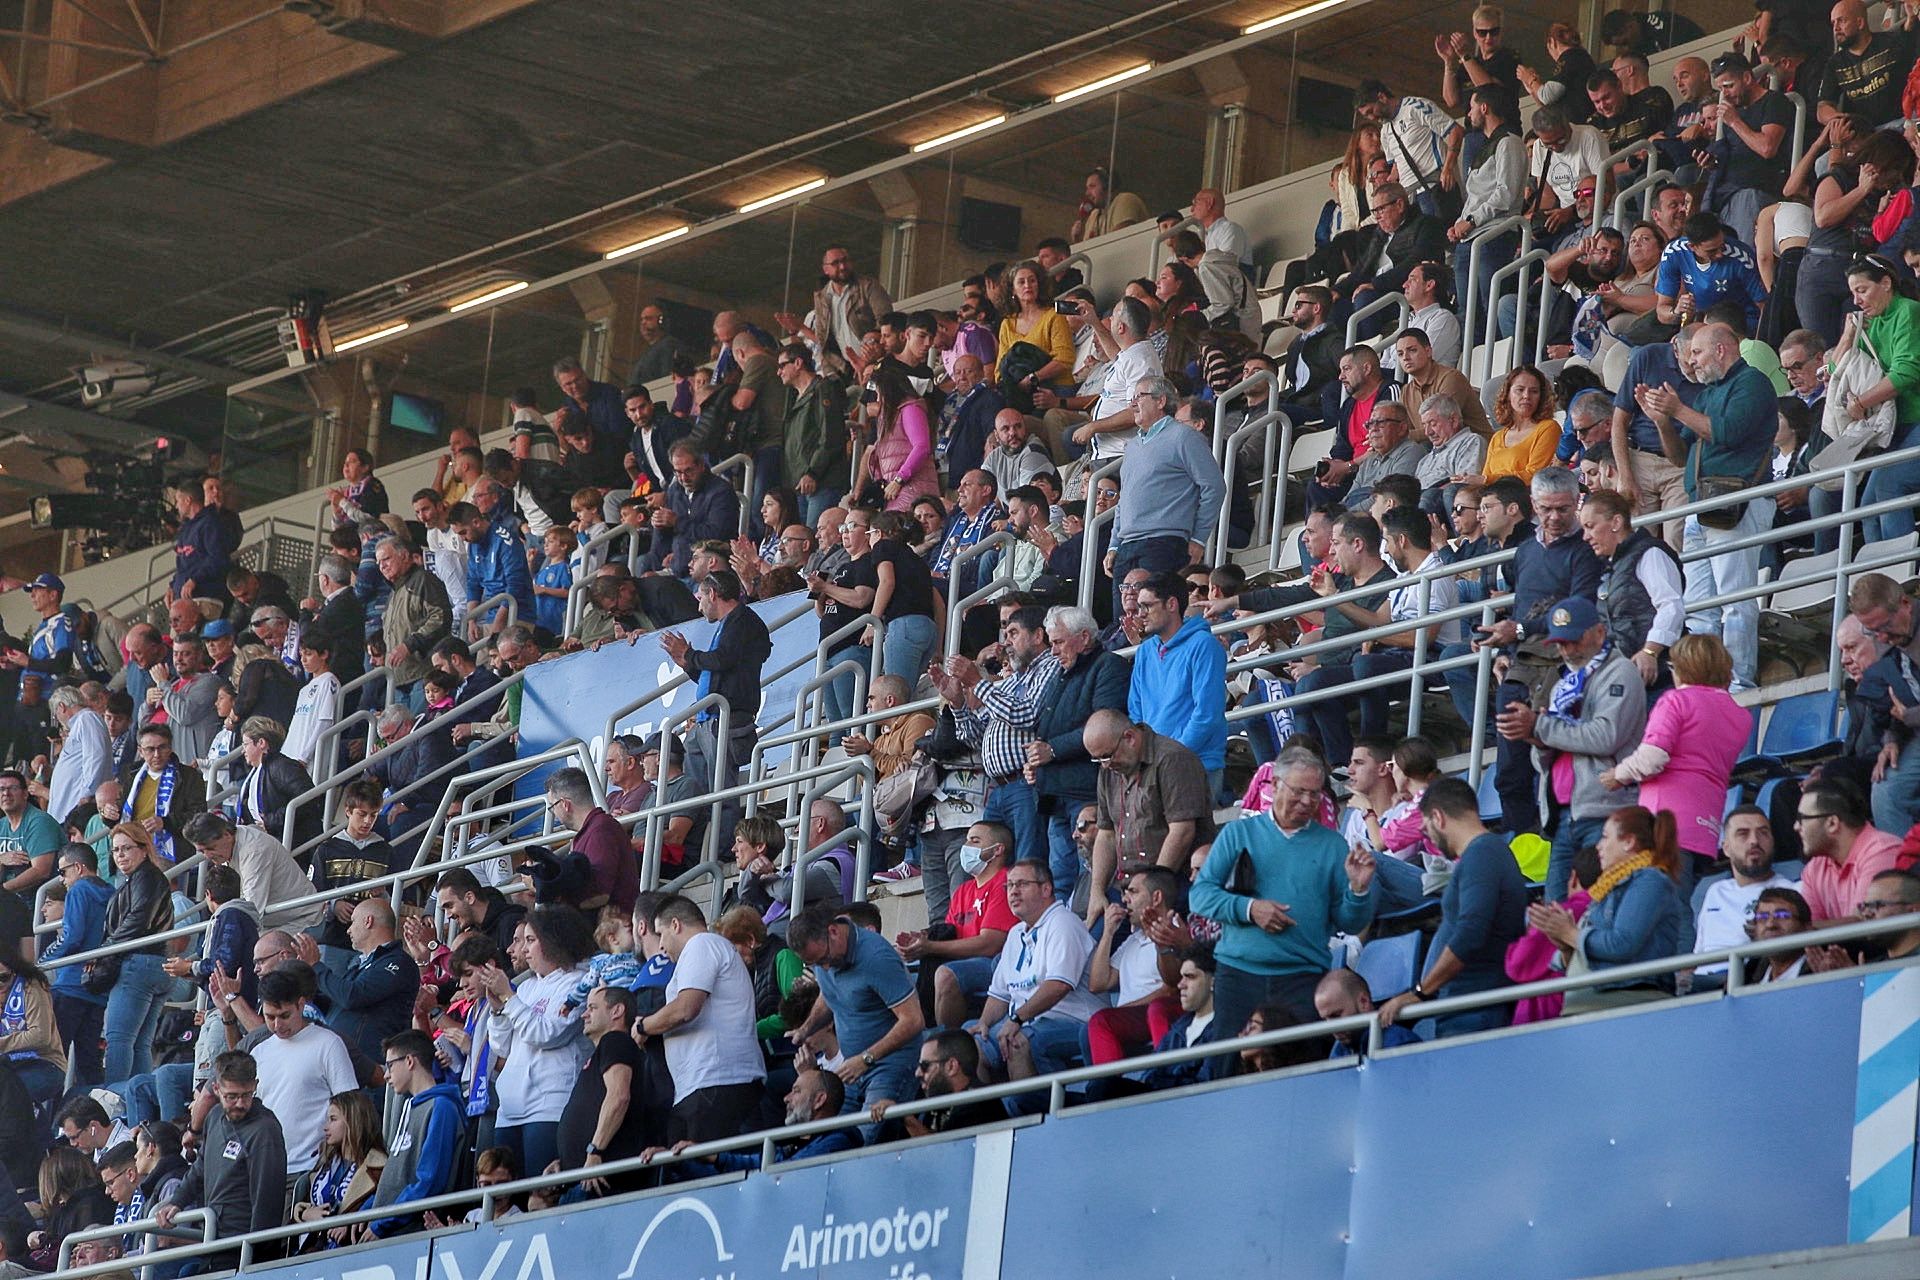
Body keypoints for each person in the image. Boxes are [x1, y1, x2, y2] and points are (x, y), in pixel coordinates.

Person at [1190, 755, 1377, 1038]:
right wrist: (1250, 909)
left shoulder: (1334, 846)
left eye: (1314, 794)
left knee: (1303, 1067)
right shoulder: (1238, 833)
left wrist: (1358, 890)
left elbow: (1349, 923)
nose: (1307, 801)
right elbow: (1200, 897)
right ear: (1275, 785)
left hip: (1302, 977)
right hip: (1239, 974)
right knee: (1228, 1068)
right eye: (1298, 791)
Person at [1638, 322, 1776, 690]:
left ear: (1721, 349)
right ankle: (1704, 684)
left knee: (1735, 598)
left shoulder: (1752, 383)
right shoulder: (1706, 394)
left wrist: (1678, 408)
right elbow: (1679, 456)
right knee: (1699, 606)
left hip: (1737, 503)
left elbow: (1727, 433)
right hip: (1702, 508)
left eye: (1697, 353)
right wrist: (1663, 422)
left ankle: (1739, 683)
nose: (1691, 362)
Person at [1498, 596, 1647, 901]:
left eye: (1574, 640)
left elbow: (1606, 736)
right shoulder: (1565, 684)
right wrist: (1537, 742)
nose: (1567, 650)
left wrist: (1541, 728)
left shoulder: (1620, 673)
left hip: (1606, 812)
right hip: (1564, 815)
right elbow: (1548, 758)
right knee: (1557, 912)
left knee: (1603, 903)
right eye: (1561, 643)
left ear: (1599, 633)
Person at [1377, 778, 1529, 1036]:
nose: (1430, 839)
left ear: (1438, 817)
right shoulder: (1485, 853)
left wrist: (1421, 992)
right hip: (1468, 1006)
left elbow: (1470, 933)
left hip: (1475, 1007)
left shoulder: (1482, 854)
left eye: (1426, 830)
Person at [1601, 634, 1748, 882]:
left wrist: (1618, 774)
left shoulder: (1675, 701)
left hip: (1667, 822)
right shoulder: (1740, 715)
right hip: (1707, 825)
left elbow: (1652, 758)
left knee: (1669, 909)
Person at [1525, 805, 1685, 1010]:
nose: (1598, 846)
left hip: (1623, 1006)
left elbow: (1622, 943)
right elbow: (1594, 955)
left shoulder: (1649, 880)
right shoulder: (1606, 888)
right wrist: (1565, 945)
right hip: (1589, 1005)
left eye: (1605, 837)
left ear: (1628, 842)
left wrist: (1571, 934)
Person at [638, 894, 766, 1143]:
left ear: (676, 925)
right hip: (700, 1087)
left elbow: (686, 1008)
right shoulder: (703, 949)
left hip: (718, 1081)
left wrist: (644, 1026)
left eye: (661, 933)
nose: (661, 945)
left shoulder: (702, 944)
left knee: (712, 1174)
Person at [478, 906, 592, 1179]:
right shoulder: (526, 987)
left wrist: (509, 997)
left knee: (539, 1193)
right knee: (506, 1198)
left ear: (553, 940)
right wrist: (497, 1010)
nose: (523, 949)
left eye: (531, 940)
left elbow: (547, 1035)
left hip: (549, 1107)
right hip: (510, 1109)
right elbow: (501, 1048)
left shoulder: (579, 984)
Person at [964, 859, 1103, 1083]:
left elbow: (1059, 985)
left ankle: (1032, 1112)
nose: (1014, 892)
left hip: (1076, 1020)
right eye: (1009, 886)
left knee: (1018, 1041)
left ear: (1046, 889)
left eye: (1022, 884)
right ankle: (990, 1113)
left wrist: (1017, 1019)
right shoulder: (1015, 932)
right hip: (1028, 1022)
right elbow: (1000, 994)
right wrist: (984, 1023)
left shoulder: (1063, 923)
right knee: (967, 1044)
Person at [787, 905, 926, 1123]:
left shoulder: (875, 957)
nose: (823, 968)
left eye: (824, 959)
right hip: (853, 1067)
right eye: (814, 964)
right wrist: (805, 1029)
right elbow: (829, 993)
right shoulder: (826, 958)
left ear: (833, 931)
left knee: (865, 1138)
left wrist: (866, 1058)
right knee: (833, 1136)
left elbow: (913, 1020)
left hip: (889, 1065)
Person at [155, 1051, 288, 1268]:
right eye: (231, 1096)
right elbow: (200, 1167)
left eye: (246, 1095)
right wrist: (176, 1201)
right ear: (217, 1089)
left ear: (255, 1085)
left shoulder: (264, 1130)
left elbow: (267, 1201)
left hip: (241, 1246)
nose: (240, 1103)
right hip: (213, 1237)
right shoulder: (215, 1116)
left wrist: (256, 1257)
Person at [1103, 376, 1225, 608]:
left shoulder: (1184, 436)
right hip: (1127, 548)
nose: (1132, 404)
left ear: (1160, 401)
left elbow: (1214, 487)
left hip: (1163, 544)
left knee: (1155, 618)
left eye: (1139, 396)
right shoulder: (1132, 447)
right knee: (1126, 624)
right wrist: (1113, 545)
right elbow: (1124, 500)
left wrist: (1198, 538)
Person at [249, 965, 359, 1177]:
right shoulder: (259, 1052)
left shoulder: (328, 1044)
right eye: (270, 1017)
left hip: (313, 1169)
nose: (277, 1025)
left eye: (284, 1015)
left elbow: (349, 1107)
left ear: (301, 1004)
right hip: (264, 1168)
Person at [1127, 573, 1227, 794]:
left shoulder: (1204, 646)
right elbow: (1136, 711)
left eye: (1147, 607)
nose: (1140, 615)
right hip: (1153, 768)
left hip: (1197, 766)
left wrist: (1171, 757)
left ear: (1171, 604)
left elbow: (1207, 714)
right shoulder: (1144, 651)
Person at [1579, 489, 1683, 687]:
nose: (1585, 536)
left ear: (1616, 523)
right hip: (1627, 673)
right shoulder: (1611, 566)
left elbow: (1671, 605)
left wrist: (1650, 651)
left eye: (1590, 527)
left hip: (1661, 673)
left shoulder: (1650, 554)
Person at [97, 823, 173, 1085]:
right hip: (155, 964)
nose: (120, 855)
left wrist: (107, 948)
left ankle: (114, 1100)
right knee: (140, 1044)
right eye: (115, 850)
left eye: (126, 848)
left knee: (119, 1039)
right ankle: (139, 1102)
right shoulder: (142, 878)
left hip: (139, 964)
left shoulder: (147, 877)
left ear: (143, 849)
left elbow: (139, 919)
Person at [1692, 806, 1801, 984]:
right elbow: (1699, 954)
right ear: (1725, 847)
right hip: (1703, 980)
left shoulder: (1791, 891)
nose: (1754, 841)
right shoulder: (1715, 891)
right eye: (1743, 834)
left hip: (1746, 979)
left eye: (1763, 833)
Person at [44, 844, 111, 1085]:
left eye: (63, 872)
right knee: (89, 1063)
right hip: (97, 989)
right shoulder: (113, 892)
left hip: (70, 984)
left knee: (53, 1057)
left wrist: (44, 961)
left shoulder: (79, 889)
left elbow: (71, 936)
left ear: (79, 868)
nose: (62, 880)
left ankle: (50, 1118)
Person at [1796, 778, 1905, 920]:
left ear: (1832, 823)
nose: (1796, 827)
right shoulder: (1814, 868)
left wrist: (1799, 931)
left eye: (1802, 818)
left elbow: (1865, 924)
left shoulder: (1882, 851)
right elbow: (1807, 931)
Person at [1354, 80, 1463, 220]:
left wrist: (1447, 169)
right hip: (1409, 199)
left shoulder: (1415, 107)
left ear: (1381, 97)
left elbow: (1456, 132)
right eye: (1366, 115)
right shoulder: (1386, 130)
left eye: (1370, 111)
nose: (1371, 118)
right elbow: (1396, 166)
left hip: (1433, 187)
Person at [292, 1091, 386, 1250]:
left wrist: (347, 1224)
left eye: (333, 1120)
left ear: (354, 1121)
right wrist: (305, 1214)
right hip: (311, 1253)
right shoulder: (325, 1164)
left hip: (350, 1254)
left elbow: (380, 1205)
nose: (325, 1127)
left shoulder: (378, 1167)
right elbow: (306, 1205)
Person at [1482, 366, 1561, 484]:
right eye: (1520, 390)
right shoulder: (1497, 437)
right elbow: (1485, 476)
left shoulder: (1548, 428)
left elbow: (1534, 475)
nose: (1526, 396)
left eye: (1534, 391)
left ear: (1541, 397)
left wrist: (1488, 480)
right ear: (1508, 394)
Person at [46, 686, 109, 829]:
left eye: (56, 714)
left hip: (78, 808)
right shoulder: (82, 722)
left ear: (61, 707)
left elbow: (95, 757)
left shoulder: (87, 718)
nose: (58, 719)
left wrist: (86, 794)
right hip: (69, 811)